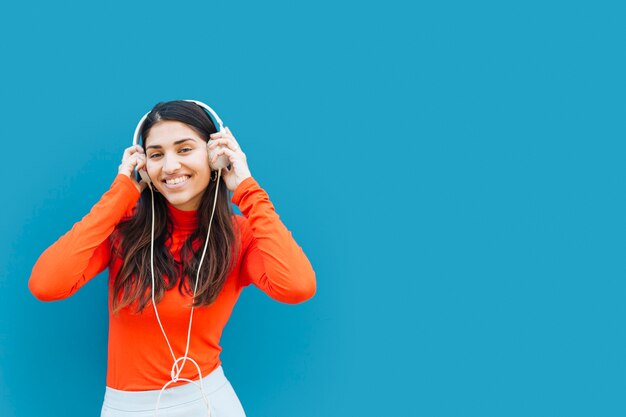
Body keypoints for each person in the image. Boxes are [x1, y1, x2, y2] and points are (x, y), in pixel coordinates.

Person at [28, 100, 317, 416]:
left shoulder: (241, 235)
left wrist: (246, 188)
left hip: (209, 403)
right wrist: (121, 191)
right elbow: (47, 284)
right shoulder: (121, 230)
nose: (169, 167)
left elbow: (297, 286)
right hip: (127, 408)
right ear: (144, 165)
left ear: (214, 155)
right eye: (156, 154)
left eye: (184, 149)